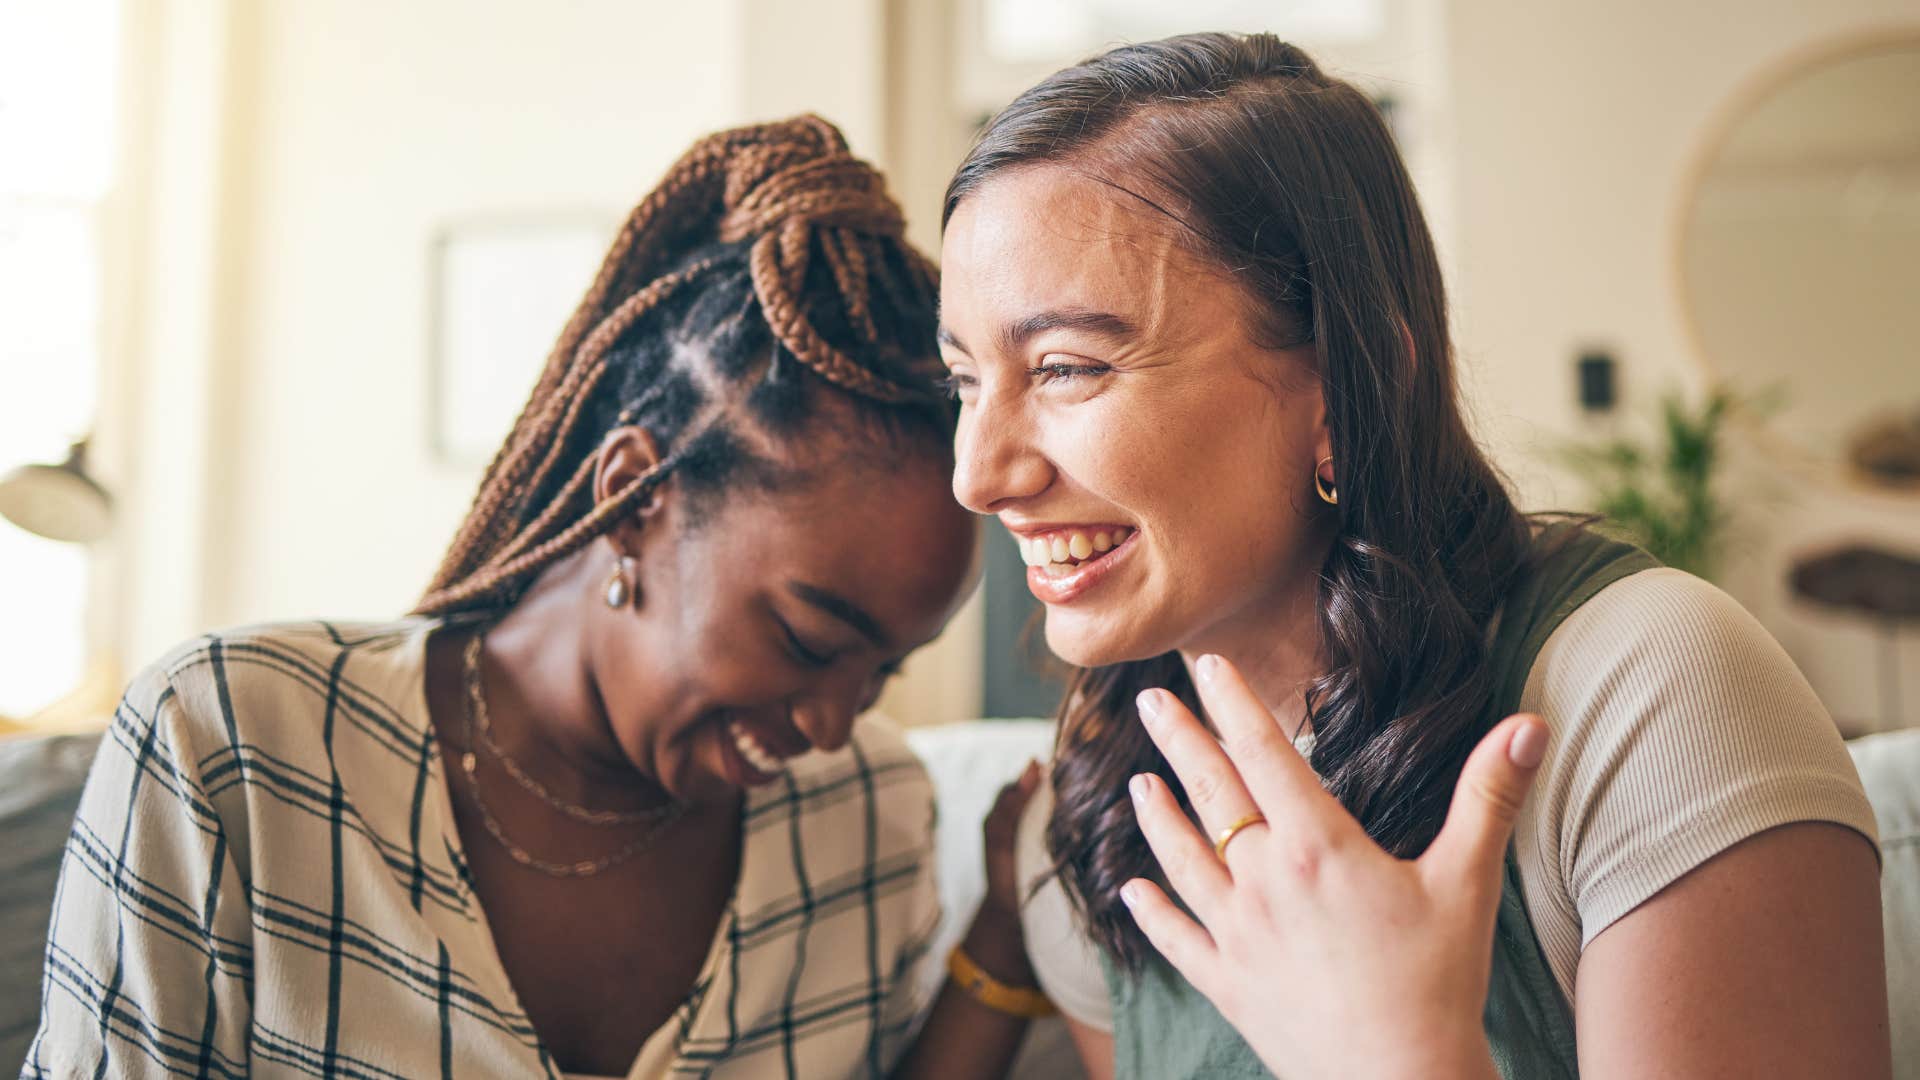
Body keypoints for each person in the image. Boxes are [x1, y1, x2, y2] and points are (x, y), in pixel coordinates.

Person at [936, 32, 1892, 1078]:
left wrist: (1403, 1055)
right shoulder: (1097, 819)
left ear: (1347, 386)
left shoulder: (1650, 695)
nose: (978, 476)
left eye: (1068, 368)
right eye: (965, 384)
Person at [23, 116, 1041, 1080]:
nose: (832, 724)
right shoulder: (234, 746)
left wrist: (1005, 928)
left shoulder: (866, 812)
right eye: (811, 640)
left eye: (882, 675)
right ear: (633, 496)